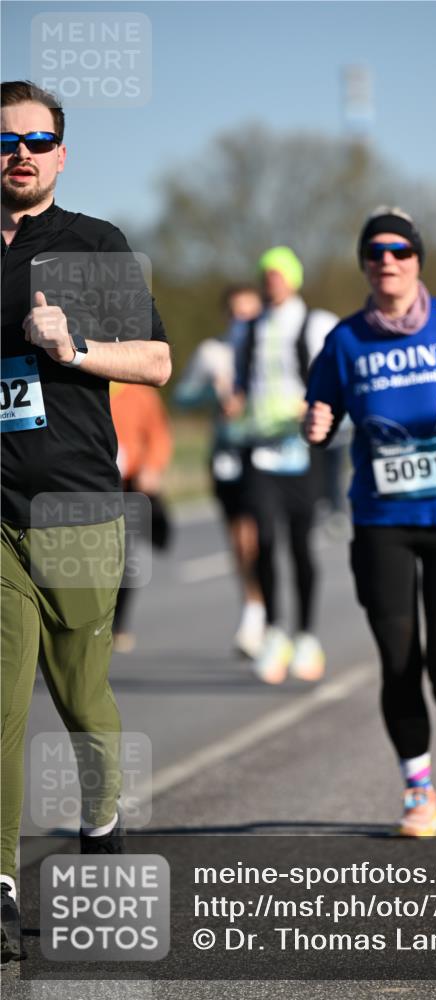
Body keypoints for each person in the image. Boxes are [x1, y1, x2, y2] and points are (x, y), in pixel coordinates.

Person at [1, 80, 170, 962]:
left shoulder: (93, 245)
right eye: (4, 140)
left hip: (74, 504)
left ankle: (101, 826)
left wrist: (73, 351)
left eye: (36, 140)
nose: (18, 152)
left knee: (79, 695)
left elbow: (158, 361)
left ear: (61, 155)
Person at [305, 207, 436, 837]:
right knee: (398, 661)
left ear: (417, 260)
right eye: (375, 252)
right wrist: (314, 424)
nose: (387, 260)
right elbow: (322, 406)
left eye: (399, 251)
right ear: (365, 264)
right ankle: (418, 790)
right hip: (382, 517)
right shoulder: (345, 339)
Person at [228, 247, 338, 683]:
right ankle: (274, 632)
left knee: (299, 544)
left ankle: (307, 635)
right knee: (264, 541)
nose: (271, 280)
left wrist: (312, 404)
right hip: (260, 448)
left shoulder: (315, 323)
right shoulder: (247, 330)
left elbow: (334, 379)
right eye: (265, 273)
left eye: (279, 273)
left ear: (294, 278)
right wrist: (233, 400)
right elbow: (239, 379)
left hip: (302, 448)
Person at [174, 284, 266, 657]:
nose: (243, 321)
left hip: (267, 453)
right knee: (240, 536)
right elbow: (181, 396)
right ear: (226, 316)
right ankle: (254, 609)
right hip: (227, 453)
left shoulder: (272, 350)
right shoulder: (213, 353)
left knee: (266, 535)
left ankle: (267, 611)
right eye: (236, 314)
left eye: (251, 314)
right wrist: (212, 393)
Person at [110, 381, 173, 653]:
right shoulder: (74, 384)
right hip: (87, 486)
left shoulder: (138, 393)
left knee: (124, 558)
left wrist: (152, 467)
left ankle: (117, 625)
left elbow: (159, 435)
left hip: (128, 485)